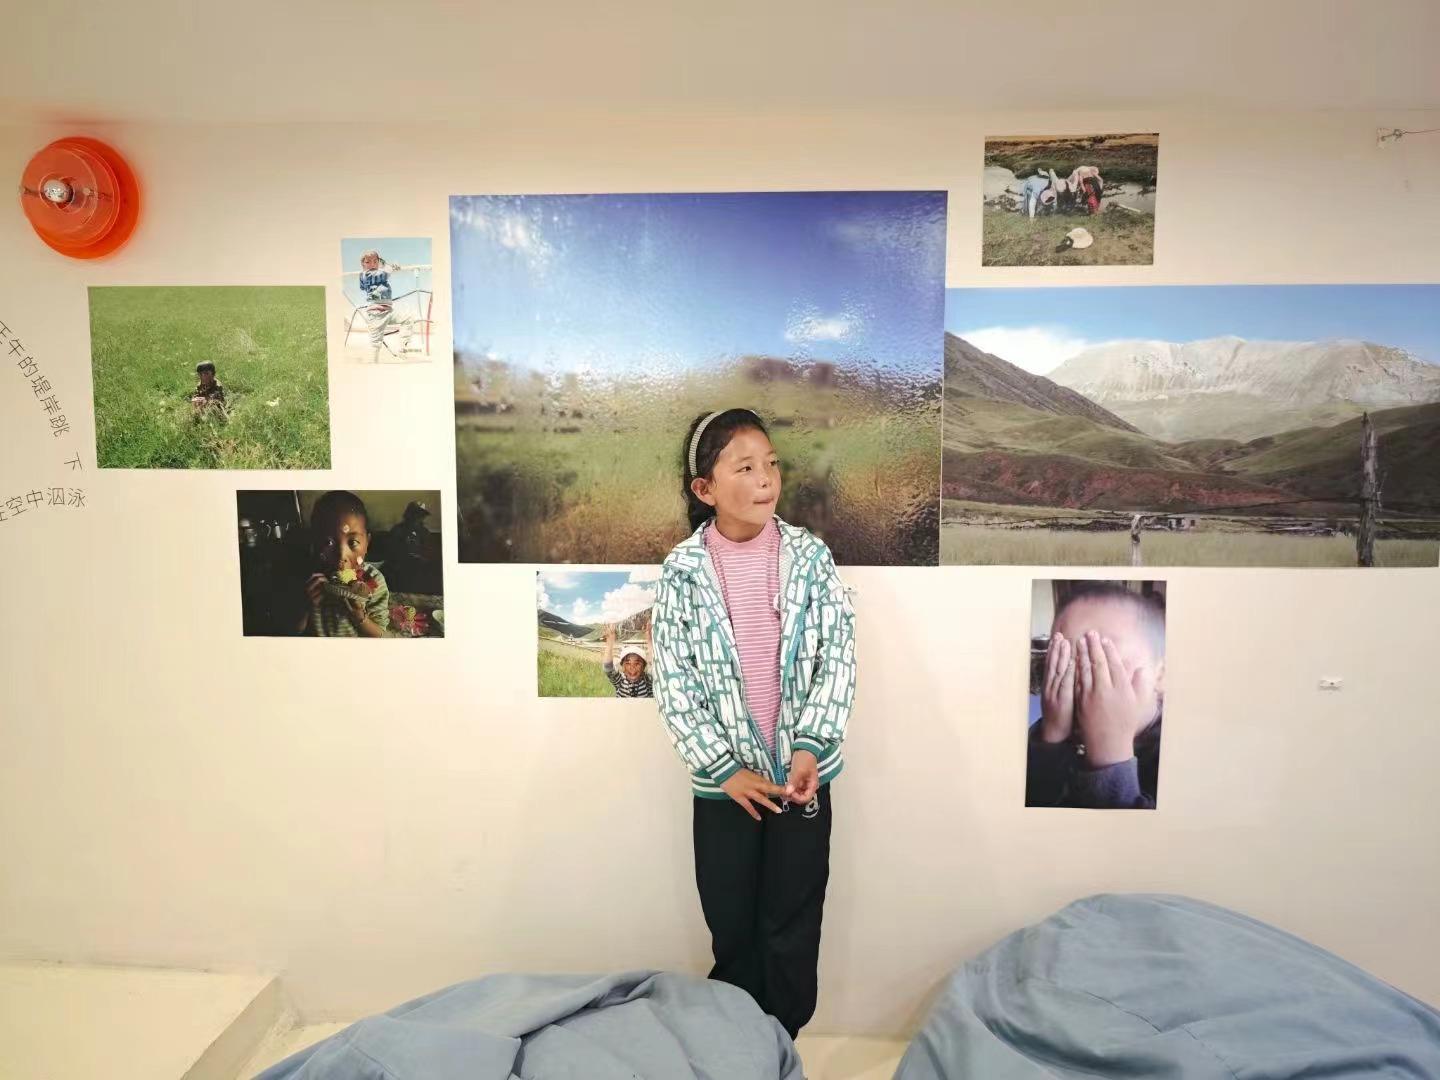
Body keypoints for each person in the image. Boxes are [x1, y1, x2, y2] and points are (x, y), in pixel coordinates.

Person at [650, 407, 857, 1040]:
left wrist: (811, 748)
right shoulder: (682, 571)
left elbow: (837, 655)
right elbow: (674, 678)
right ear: (705, 489)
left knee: (792, 923)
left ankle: (782, 1045)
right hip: (726, 791)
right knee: (733, 922)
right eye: (744, 467)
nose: (765, 478)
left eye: (770, 464)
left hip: (800, 782)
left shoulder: (809, 558)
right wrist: (723, 770)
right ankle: (737, 1046)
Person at [1026, 583, 1165, 809]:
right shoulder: (1050, 728)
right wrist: (1052, 738)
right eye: (1063, 660)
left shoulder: (1177, 754)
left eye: (1101, 657)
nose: (1078, 678)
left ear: (1161, 675)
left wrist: (1110, 756)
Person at [297, 490, 391, 638]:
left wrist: (360, 617)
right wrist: (304, 607)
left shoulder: (373, 581)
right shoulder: (307, 576)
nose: (341, 555)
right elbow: (295, 631)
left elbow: (381, 636)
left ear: (367, 543)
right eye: (328, 542)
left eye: (353, 542)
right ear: (315, 542)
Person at [356, 249, 414, 362]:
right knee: (375, 343)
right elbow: (384, 274)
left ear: (378, 262)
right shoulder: (366, 274)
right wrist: (391, 266)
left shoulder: (378, 273)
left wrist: (386, 265)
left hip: (388, 311)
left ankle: (402, 349)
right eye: (368, 262)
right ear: (363, 264)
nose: (372, 264)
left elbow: (365, 285)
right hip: (376, 314)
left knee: (408, 318)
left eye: (375, 261)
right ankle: (373, 364)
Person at [601, 623, 653, 698]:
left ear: (643, 667)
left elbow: (655, 666)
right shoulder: (620, 681)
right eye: (628, 663)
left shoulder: (647, 681)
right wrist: (609, 643)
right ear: (622, 667)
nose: (632, 667)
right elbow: (608, 668)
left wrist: (650, 640)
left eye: (637, 663)